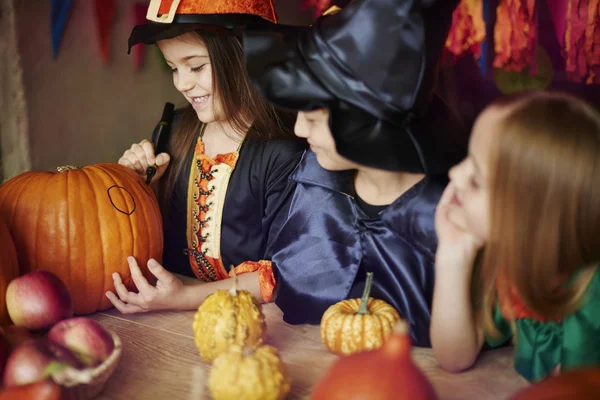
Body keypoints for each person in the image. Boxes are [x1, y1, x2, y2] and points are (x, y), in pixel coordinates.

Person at [241, 0, 467, 346]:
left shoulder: (446, 214)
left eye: (314, 119)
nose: (299, 130)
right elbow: (283, 275)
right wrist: (178, 296)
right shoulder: (318, 183)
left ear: (366, 126)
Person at [105, 0, 306, 313]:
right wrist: (138, 184)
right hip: (166, 320)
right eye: (174, 68)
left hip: (255, 322)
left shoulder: (283, 152)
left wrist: (183, 298)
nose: (183, 84)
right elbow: (141, 239)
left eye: (196, 66)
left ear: (245, 57)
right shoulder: (174, 133)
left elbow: (283, 272)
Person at [430, 90, 600, 381]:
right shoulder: (506, 263)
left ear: (532, 220)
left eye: (476, 179)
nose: (455, 173)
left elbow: (573, 390)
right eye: (465, 160)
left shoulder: (592, 298)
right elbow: (454, 358)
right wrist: (452, 255)